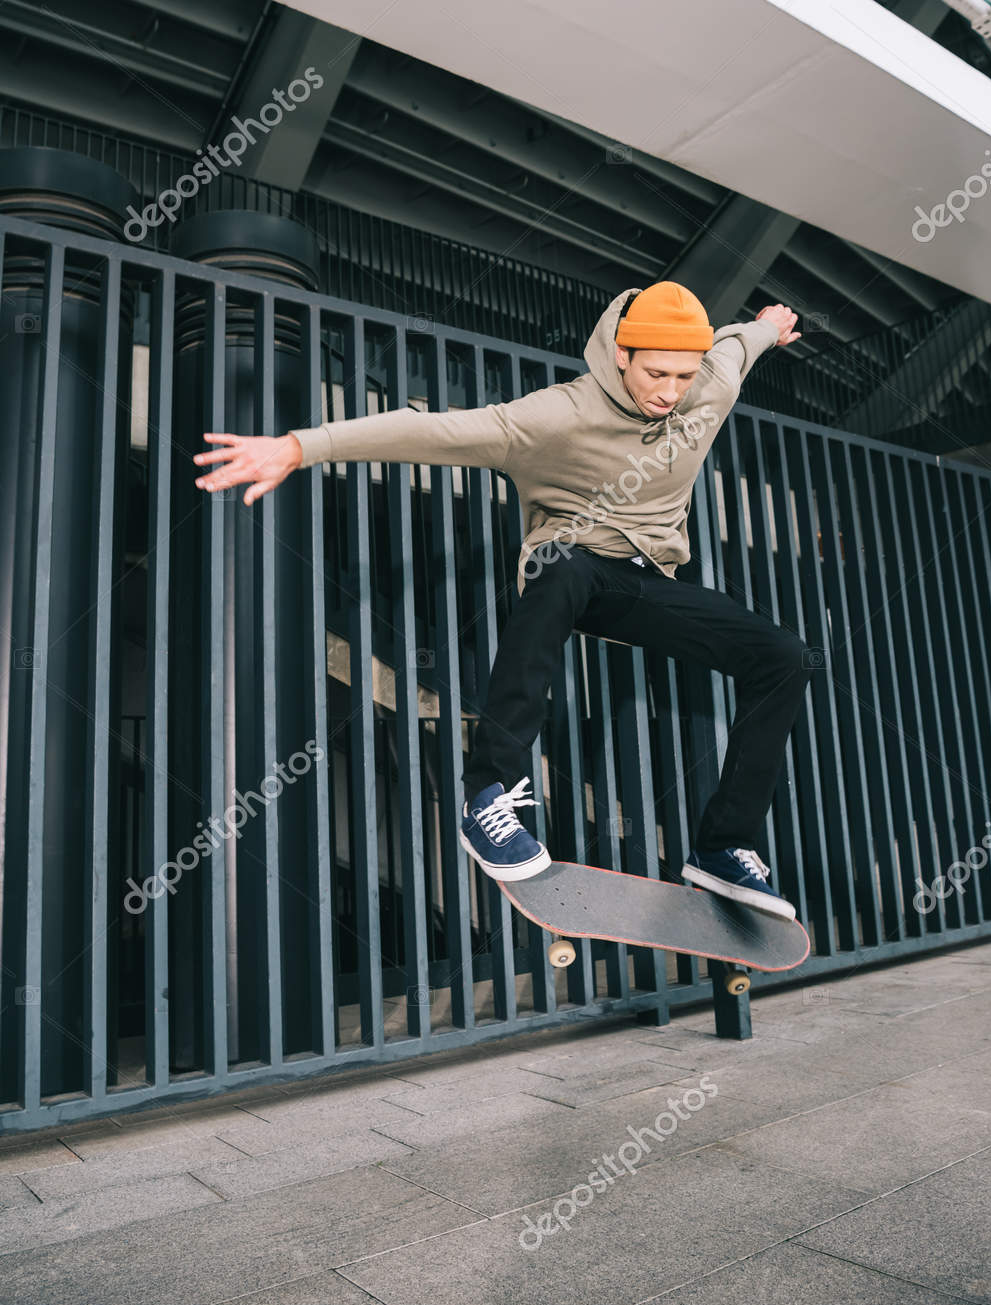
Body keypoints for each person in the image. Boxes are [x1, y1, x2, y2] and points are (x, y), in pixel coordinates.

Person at [193, 282, 813, 919]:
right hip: (568, 565)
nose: (670, 391)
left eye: (683, 375)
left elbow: (743, 343)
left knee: (785, 657)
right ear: (620, 354)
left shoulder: (712, 382)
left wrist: (769, 323)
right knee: (565, 565)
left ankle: (723, 847)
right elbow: (431, 431)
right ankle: (488, 792)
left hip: (649, 582)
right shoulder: (555, 416)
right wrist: (300, 447)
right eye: (655, 372)